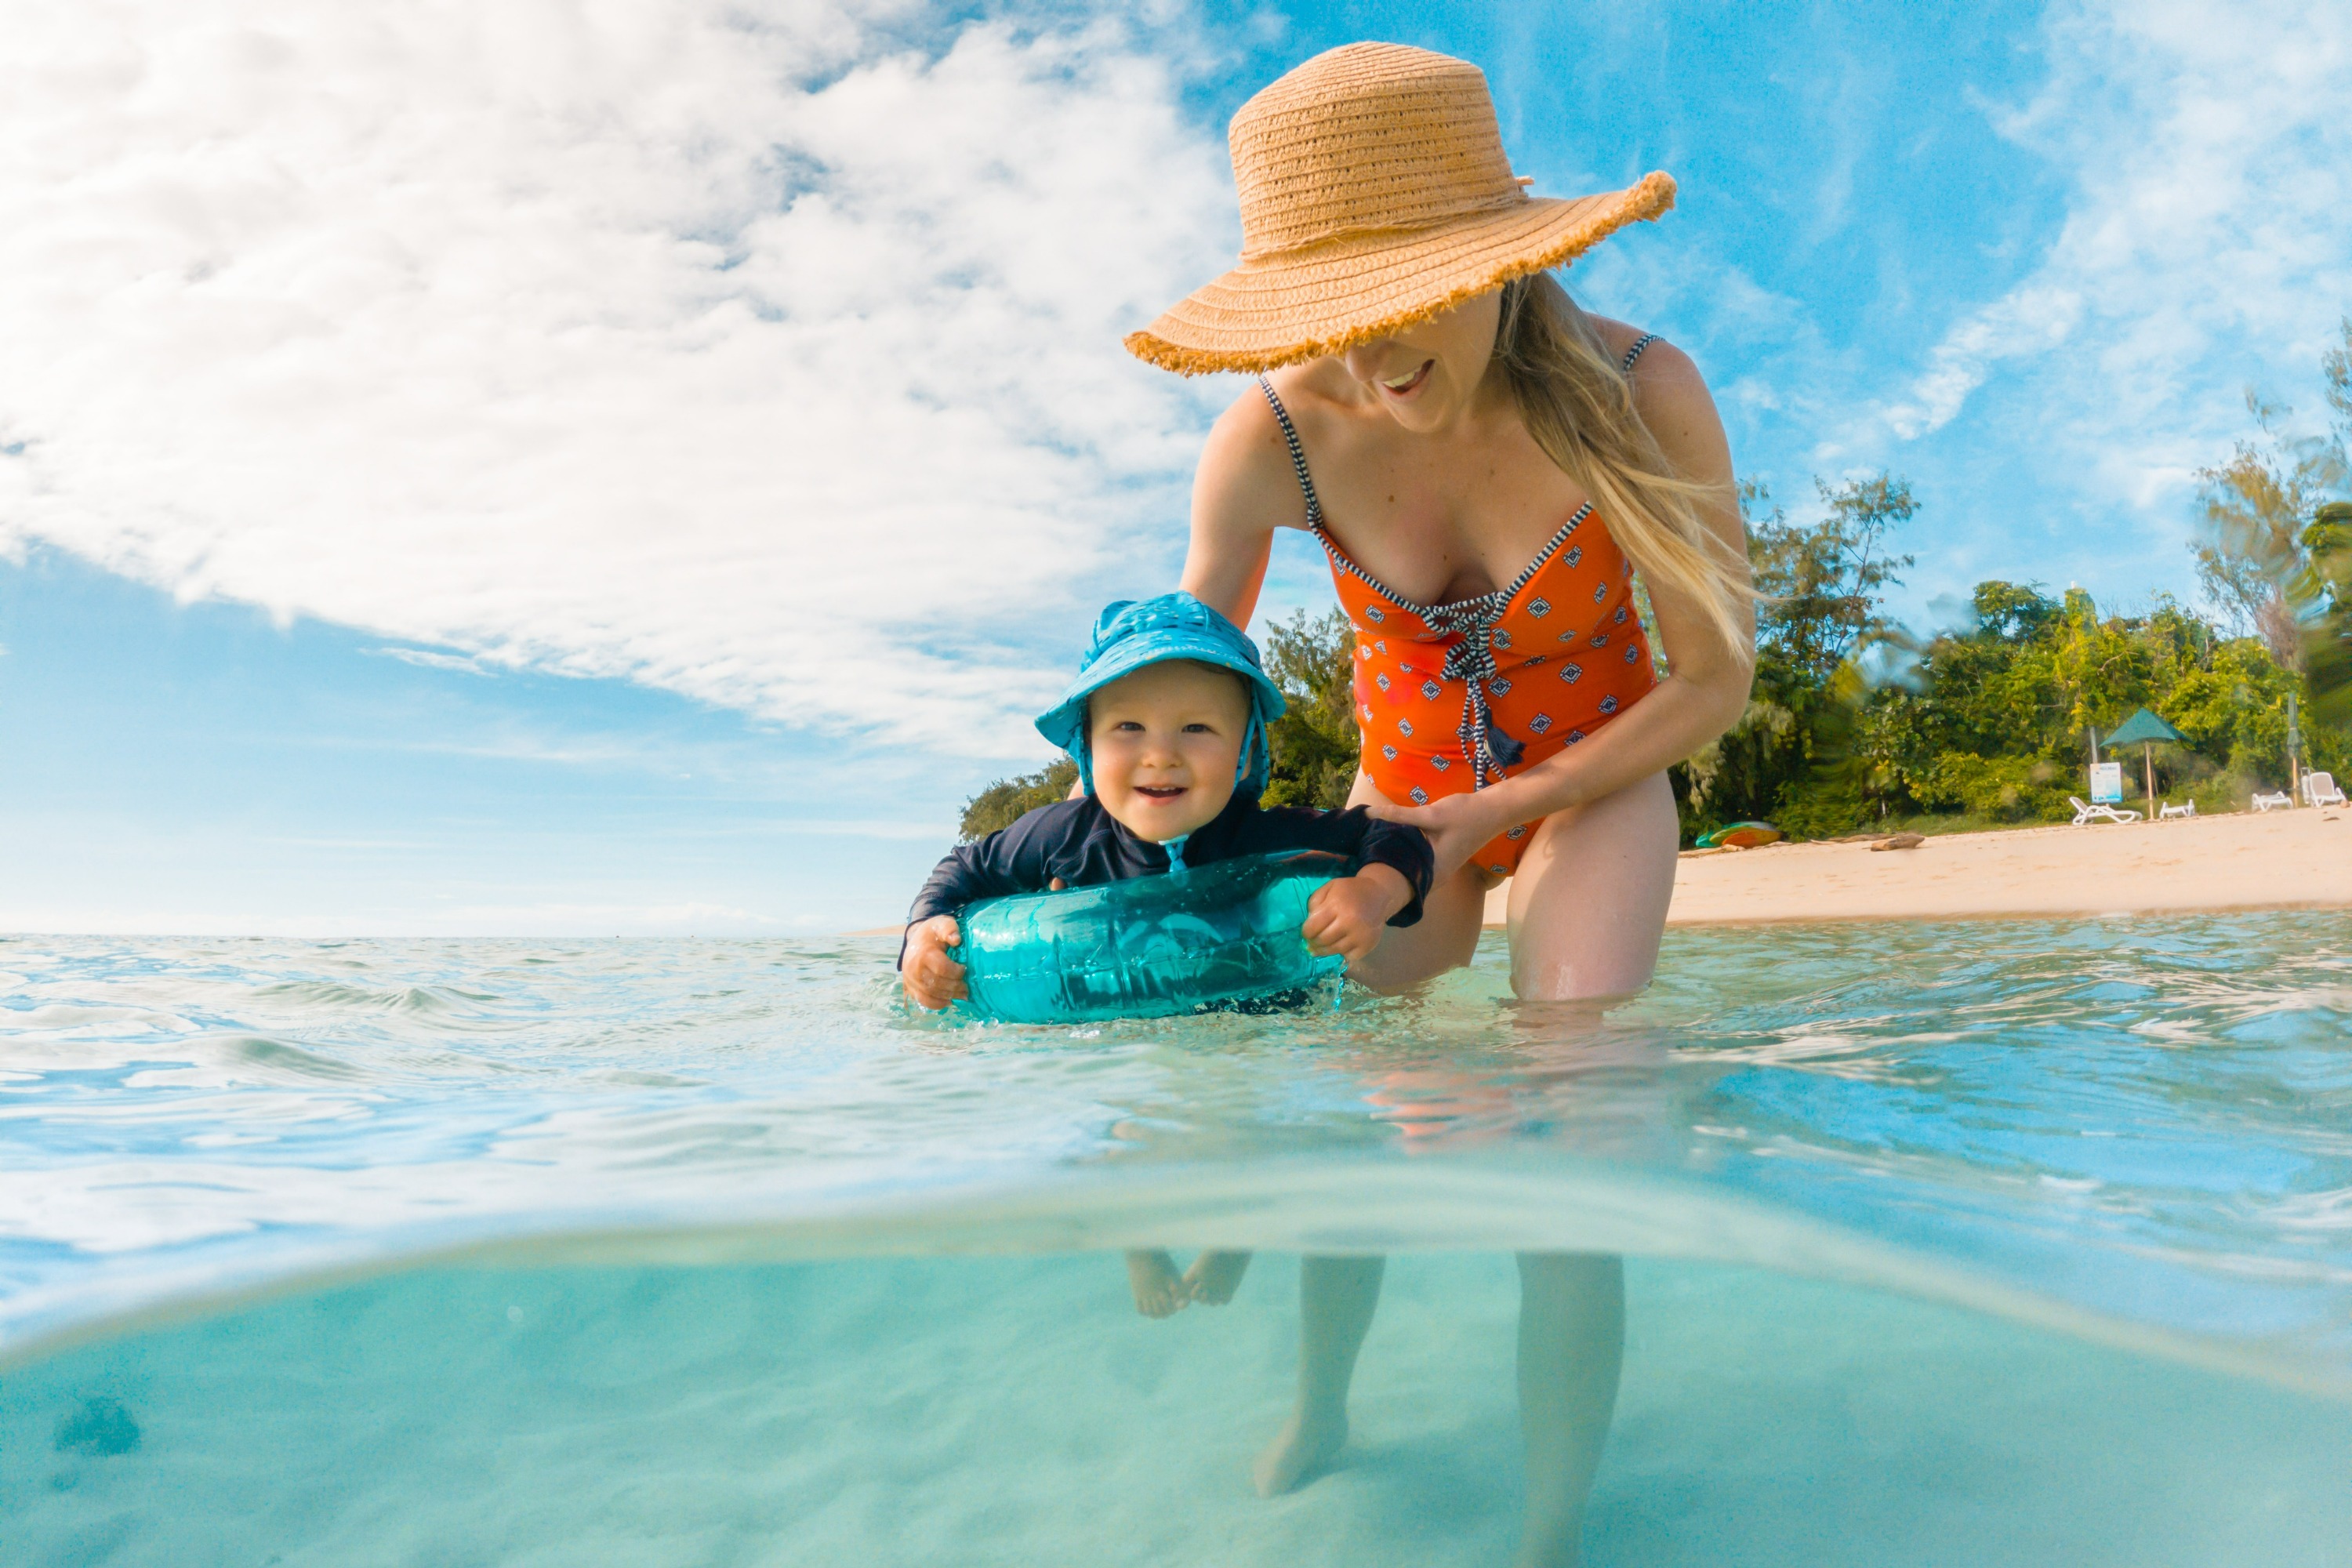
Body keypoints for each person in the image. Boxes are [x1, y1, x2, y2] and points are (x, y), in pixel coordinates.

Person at [1123, 42, 1755, 1567]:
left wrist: (1510, 811)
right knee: (1346, 1082)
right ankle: (1324, 1397)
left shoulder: (1637, 385)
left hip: (1597, 779)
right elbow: (1179, 718)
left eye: (1414, 296)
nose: (1373, 362)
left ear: (1495, 257)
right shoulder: (1269, 437)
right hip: (1401, 801)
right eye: (1333, 324)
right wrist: (1164, 981)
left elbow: (1716, 676)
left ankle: (1549, 1528)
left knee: (1573, 1102)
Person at [899, 591, 1436, 1316]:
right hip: (1126, 1039)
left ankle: (1235, 1236)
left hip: (1260, 1022)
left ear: (1246, 746)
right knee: (1124, 1131)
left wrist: (1373, 891)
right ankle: (1142, 1241)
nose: (1161, 752)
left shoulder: (1266, 837)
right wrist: (923, 933)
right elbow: (965, 868)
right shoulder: (1063, 834)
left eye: (1197, 727)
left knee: (1277, 1134)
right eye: (1128, 726)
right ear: (1088, 745)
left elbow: (1392, 837)